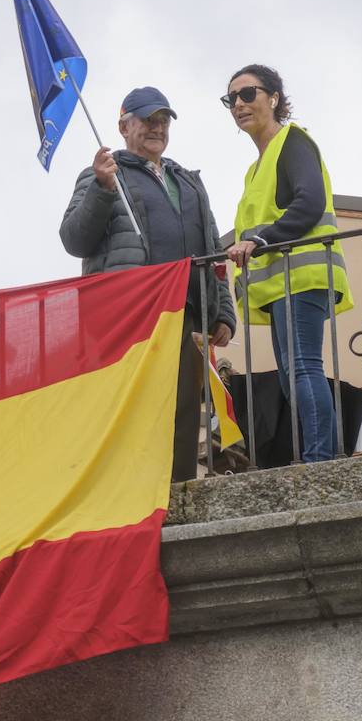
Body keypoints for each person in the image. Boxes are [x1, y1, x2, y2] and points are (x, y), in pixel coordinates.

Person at [60, 86, 236, 482]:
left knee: (184, 408)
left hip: (188, 314)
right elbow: (73, 239)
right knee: (133, 407)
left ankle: (178, 491)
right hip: (129, 314)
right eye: (147, 120)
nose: (157, 128)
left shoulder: (189, 183)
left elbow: (213, 252)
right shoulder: (101, 175)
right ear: (124, 127)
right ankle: (131, 492)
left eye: (163, 120)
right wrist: (102, 191)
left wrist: (223, 309)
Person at [222, 64, 351, 463]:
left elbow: (309, 203)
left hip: (302, 277)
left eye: (248, 94)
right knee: (290, 375)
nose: (239, 105)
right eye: (231, 99)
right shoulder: (255, 168)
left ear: (274, 98)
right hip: (282, 284)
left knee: (302, 368)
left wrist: (260, 239)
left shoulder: (292, 142)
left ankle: (320, 458)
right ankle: (315, 454)